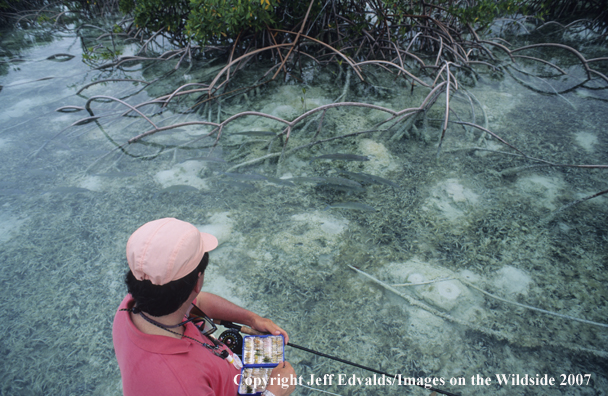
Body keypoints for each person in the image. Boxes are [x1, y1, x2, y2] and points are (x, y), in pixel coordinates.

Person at [113, 217, 297, 396]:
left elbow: (198, 302)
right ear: (197, 284)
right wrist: (273, 392)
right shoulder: (181, 386)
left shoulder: (134, 303)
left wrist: (252, 319)